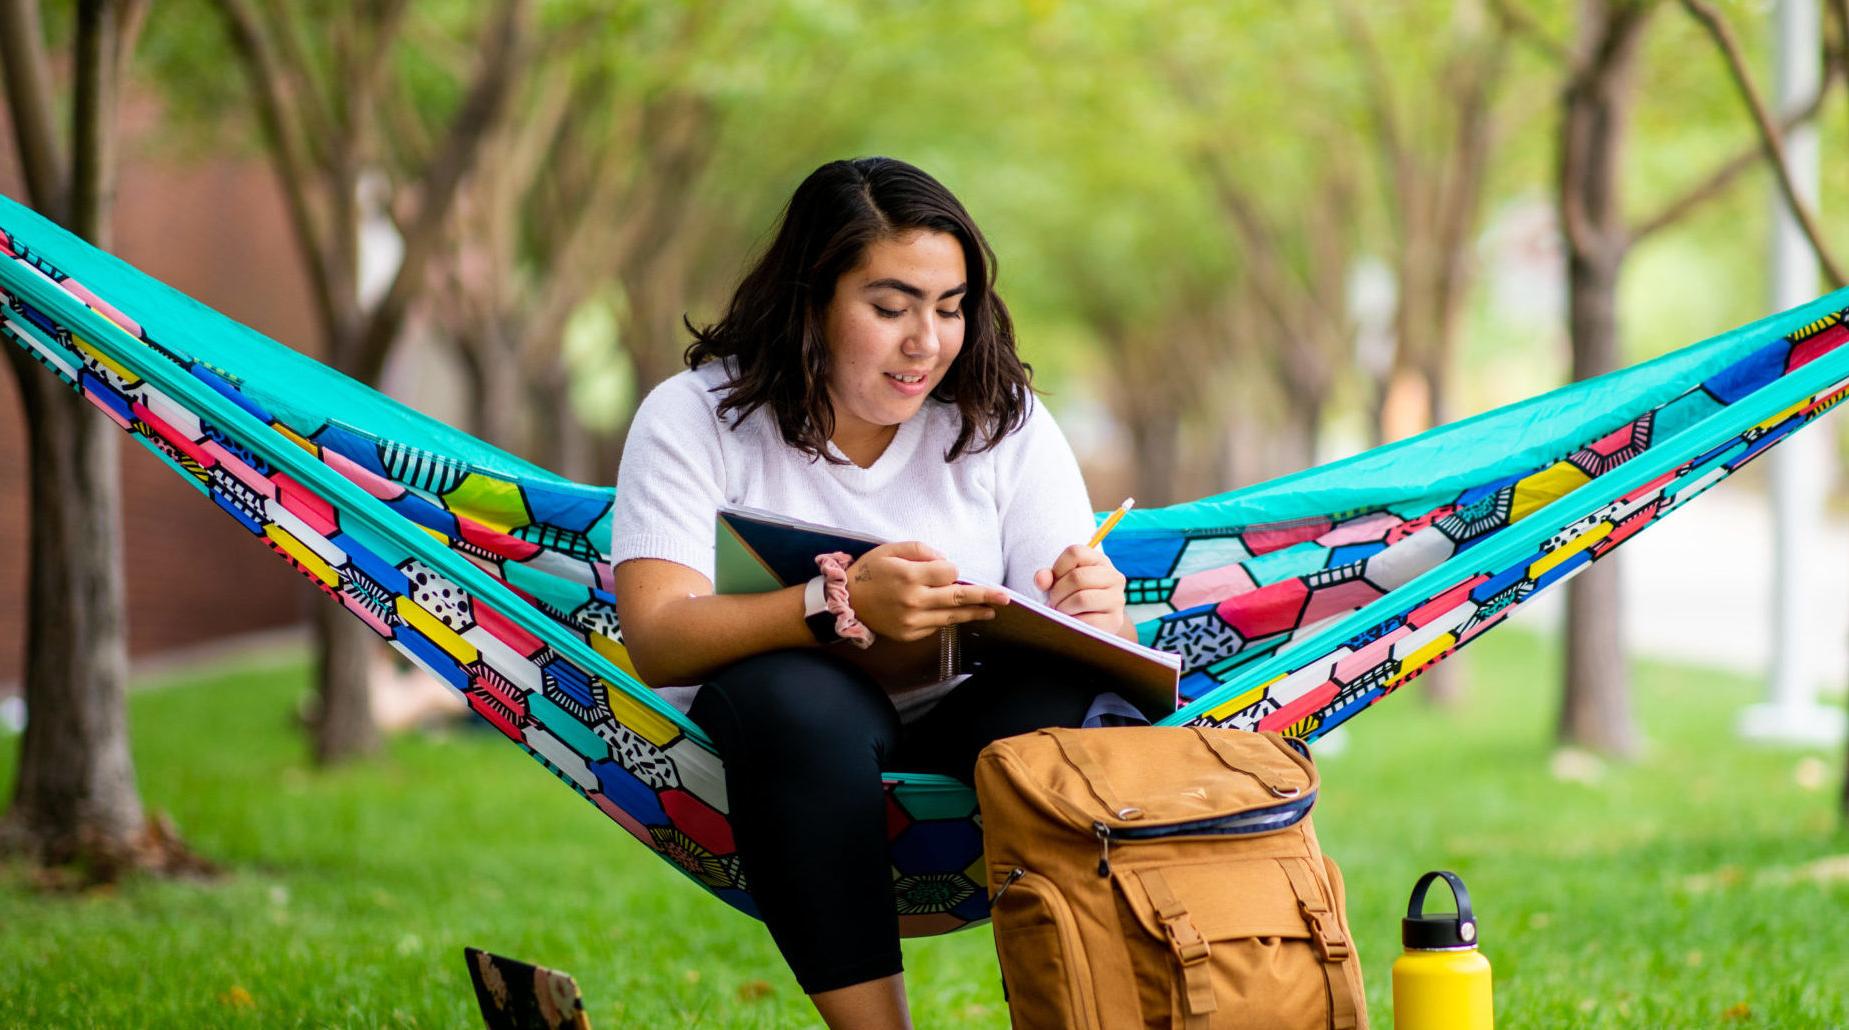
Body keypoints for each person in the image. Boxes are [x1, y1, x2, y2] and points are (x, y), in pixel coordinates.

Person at [610, 156, 1134, 1029]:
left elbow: (1071, 621)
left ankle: (1071, 1007)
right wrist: (833, 604)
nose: (925, 341)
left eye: (950, 307)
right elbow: (658, 636)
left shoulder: (999, 418)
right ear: (810, 299)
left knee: (1068, 699)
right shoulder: (694, 417)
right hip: (785, 741)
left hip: (964, 728)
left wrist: (1097, 609)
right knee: (795, 696)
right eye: (889, 308)